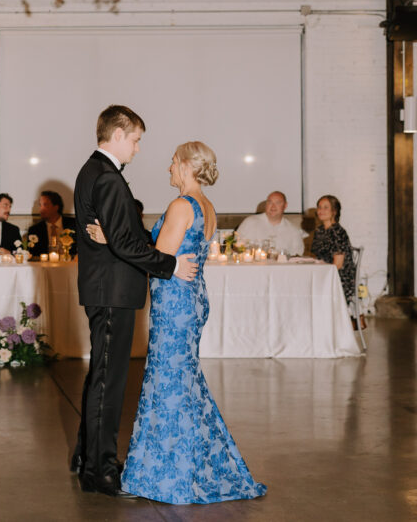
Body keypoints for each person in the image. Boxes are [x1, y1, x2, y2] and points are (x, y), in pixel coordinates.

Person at [87, 141, 267, 504]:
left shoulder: (181, 205)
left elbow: (158, 258)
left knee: (168, 383)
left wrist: (112, 240)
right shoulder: (206, 206)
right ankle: (189, 466)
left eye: (172, 162)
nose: (168, 168)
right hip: (192, 299)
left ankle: (169, 475)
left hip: (174, 304)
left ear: (187, 166)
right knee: (183, 382)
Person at [70, 105, 197, 498]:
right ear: (118, 134)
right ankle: (101, 472)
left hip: (106, 289)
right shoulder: (107, 177)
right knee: (109, 381)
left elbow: (120, 237)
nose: (138, 149)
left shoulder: (92, 171)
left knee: (101, 377)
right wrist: (171, 265)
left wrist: (118, 239)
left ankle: (88, 458)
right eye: (136, 140)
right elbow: (125, 244)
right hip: (113, 291)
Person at [311, 194, 358, 322]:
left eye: (326, 207)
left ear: (334, 211)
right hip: (325, 275)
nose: (321, 210)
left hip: (339, 278)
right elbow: (317, 258)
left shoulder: (338, 232)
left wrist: (319, 277)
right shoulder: (319, 231)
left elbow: (338, 265)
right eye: (319, 207)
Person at [235, 191, 305, 256]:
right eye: (270, 202)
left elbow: (297, 257)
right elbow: (236, 247)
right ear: (266, 205)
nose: (273, 207)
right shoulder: (249, 222)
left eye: (278, 203)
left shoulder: (294, 231)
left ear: (285, 206)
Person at [25, 191, 79, 258]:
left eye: (45, 205)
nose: (41, 209)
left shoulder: (74, 224)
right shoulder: (35, 230)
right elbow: (33, 255)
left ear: (56, 207)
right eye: (40, 205)